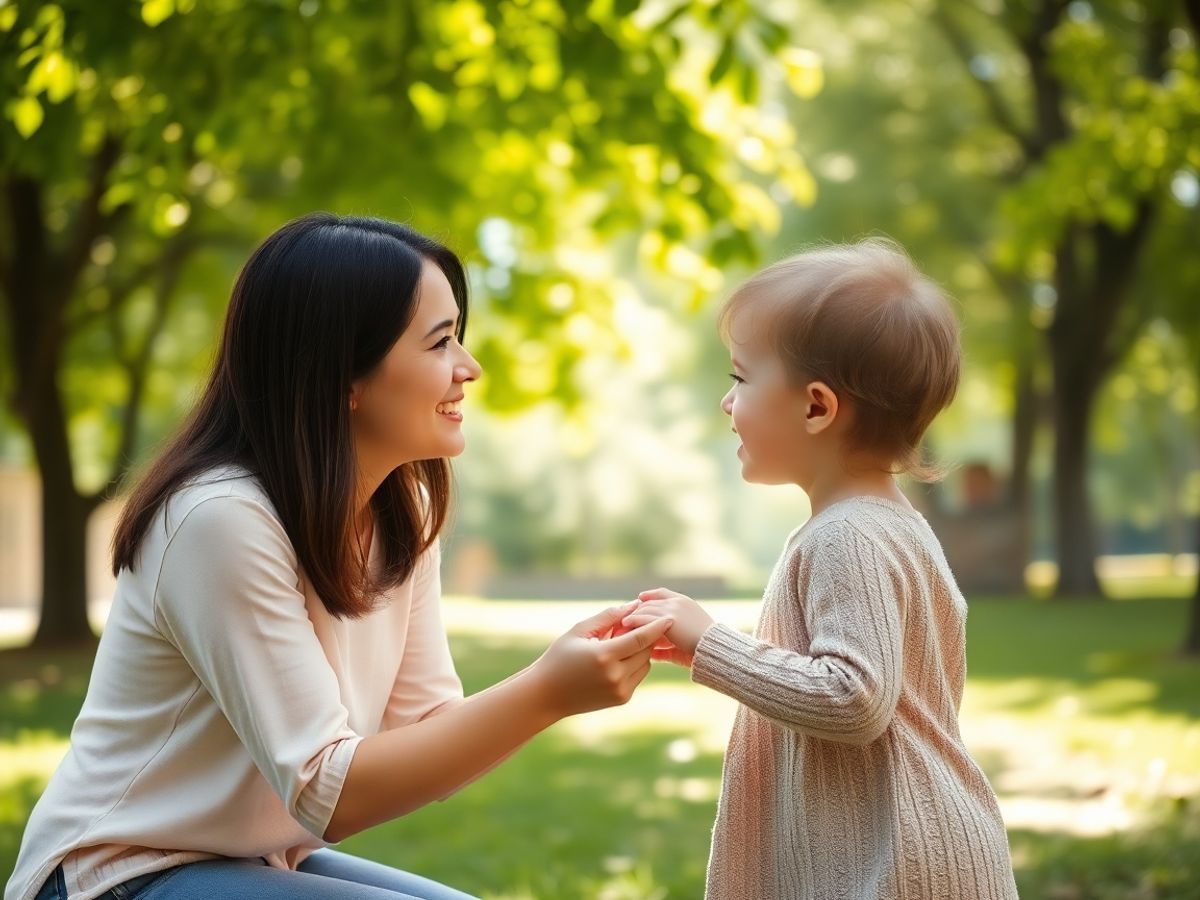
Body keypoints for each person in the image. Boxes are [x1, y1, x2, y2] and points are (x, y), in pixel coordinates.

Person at [6, 213, 673, 900]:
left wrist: (562, 683)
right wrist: (546, 691)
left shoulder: (401, 512)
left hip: (255, 862)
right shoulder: (219, 520)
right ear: (342, 376)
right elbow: (328, 792)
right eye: (441, 343)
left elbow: (430, 735)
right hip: (116, 874)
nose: (469, 369)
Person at [620, 239, 1020, 898]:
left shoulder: (848, 537)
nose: (728, 403)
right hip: (905, 850)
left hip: (895, 866)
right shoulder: (889, 525)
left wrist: (708, 643)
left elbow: (853, 697)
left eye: (741, 378)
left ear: (816, 407)